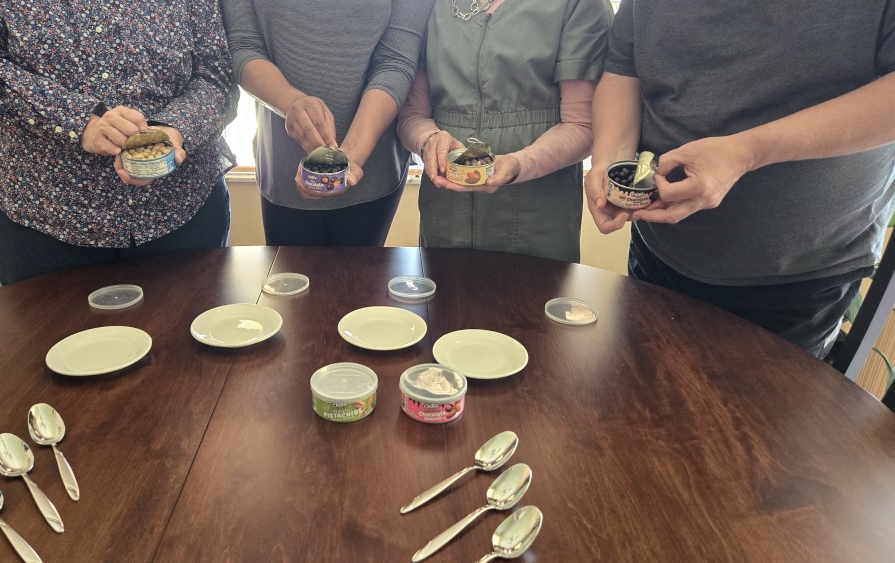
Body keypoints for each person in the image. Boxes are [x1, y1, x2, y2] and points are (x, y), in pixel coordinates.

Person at [586, 0, 895, 358]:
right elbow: (625, 69)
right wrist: (610, 159)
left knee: (759, 413)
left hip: (795, 273)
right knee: (640, 390)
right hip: (658, 250)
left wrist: (747, 152)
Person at [0, 0, 238, 285]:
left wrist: (172, 130)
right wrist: (79, 121)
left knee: (189, 330)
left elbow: (216, 73)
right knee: (55, 336)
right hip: (45, 216)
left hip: (183, 209)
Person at [396, 0, 613, 262]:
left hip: (537, 213)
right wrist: (429, 140)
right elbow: (412, 115)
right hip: (446, 212)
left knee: (531, 299)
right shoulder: (430, 5)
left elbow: (582, 125)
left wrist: (518, 164)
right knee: (445, 296)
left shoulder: (578, 5)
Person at [223, 0, 432, 247]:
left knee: (359, 280)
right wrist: (291, 102)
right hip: (282, 165)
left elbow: (396, 59)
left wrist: (354, 152)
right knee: (293, 278)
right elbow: (243, 46)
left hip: (373, 168)